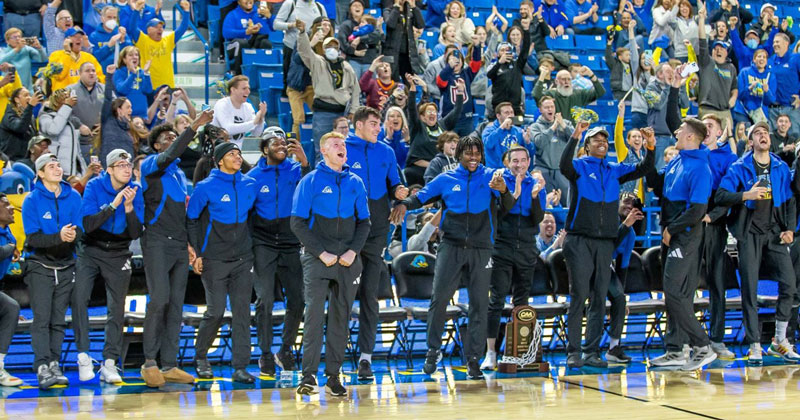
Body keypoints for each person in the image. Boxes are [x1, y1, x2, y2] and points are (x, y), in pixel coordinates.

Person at [394, 135, 516, 379]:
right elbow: (422, 196)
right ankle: (433, 351)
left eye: (477, 153)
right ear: (459, 154)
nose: (473, 158)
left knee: (479, 305)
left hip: (482, 249)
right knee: (439, 300)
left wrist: (503, 191)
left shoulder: (492, 177)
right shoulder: (446, 179)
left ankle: (473, 359)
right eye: (468, 153)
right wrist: (405, 204)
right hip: (450, 247)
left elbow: (509, 206)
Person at [559, 121, 655, 368]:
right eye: (596, 140)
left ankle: (592, 352)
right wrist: (575, 136)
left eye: (604, 140)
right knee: (579, 296)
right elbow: (563, 165)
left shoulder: (613, 169)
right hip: (579, 239)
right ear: (587, 146)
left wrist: (651, 148)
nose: (602, 143)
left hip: (604, 242)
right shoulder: (579, 166)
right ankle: (574, 352)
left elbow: (643, 168)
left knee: (600, 298)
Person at [291, 131, 371, 396]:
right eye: (336, 145)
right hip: (318, 259)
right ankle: (308, 375)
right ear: (324, 151)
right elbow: (297, 222)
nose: (342, 148)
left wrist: (353, 252)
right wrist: (319, 252)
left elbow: (365, 222)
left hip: (347, 260)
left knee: (341, 318)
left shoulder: (356, 182)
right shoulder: (310, 181)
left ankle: (334, 376)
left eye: (344, 145)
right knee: (314, 316)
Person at [713, 121, 800, 365]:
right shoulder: (739, 167)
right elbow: (721, 195)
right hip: (748, 234)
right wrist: (746, 195)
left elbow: (791, 201)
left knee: (790, 283)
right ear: (750, 142)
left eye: (765, 133)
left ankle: (779, 340)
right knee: (749, 290)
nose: (763, 136)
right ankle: (754, 344)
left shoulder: (781, 167)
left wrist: (790, 229)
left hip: (774, 233)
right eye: (757, 133)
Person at [139, 110, 214, 387]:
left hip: (178, 244)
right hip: (156, 241)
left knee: (175, 305)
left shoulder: (180, 175)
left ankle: (169, 363)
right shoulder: (150, 166)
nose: (172, 140)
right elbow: (171, 154)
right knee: (159, 299)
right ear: (157, 145)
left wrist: (190, 245)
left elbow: (183, 213)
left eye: (175, 136)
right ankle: (149, 362)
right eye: (167, 138)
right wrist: (193, 126)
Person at [645, 117, 718, 370]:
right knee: (674, 294)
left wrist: (672, 230)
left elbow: (697, 210)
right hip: (672, 233)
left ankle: (702, 345)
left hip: (685, 235)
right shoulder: (678, 159)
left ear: (691, 137)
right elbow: (655, 182)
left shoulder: (700, 168)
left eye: (681, 130)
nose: (676, 131)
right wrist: (651, 149)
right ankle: (675, 350)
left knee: (675, 292)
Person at [345, 107, 408, 380]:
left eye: (378, 124)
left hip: (377, 225)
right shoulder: (343, 147)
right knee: (342, 295)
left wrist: (401, 199)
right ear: (358, 125)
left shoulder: (386, 151)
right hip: (347, 227)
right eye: (372, 123)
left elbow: (395, 184)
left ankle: (365, 358)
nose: (377, 128)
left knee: (370, 295)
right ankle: (335, 355)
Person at [188, 142, 258, 384]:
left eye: (239, 153)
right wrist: (196, 253)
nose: (238, 157)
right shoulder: (205, 187)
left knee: (242, 313)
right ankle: (200, 358)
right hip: (214, 258)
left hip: (243, 258)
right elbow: (192, 220)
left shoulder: (250, 183)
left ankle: (240, 366)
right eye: (231, 154)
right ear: (220, 161)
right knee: (215, 311)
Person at [73, 149, 143, 383]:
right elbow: (88, 224)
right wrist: (113, 205)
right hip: (91, 248)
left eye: (129, 165)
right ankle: (83, 356)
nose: (126, 169)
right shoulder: (94, 186)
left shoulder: (136, 190)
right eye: (120, 165)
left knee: (117, 307)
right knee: (79, 299)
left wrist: (129, 208)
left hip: (118, 251)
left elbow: (135, 232)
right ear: (110, 169)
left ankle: (110, 362)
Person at [247, 127, 309, 375]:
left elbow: (312, 188)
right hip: (262, 241)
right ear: (264, 149)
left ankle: (284, 348)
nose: (281, 145)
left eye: (284, 142)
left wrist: (305, 162)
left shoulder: (297, 170)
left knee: (298, 299)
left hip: (291, 240)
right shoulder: (252, 176)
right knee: (264, 300)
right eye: (275, 142)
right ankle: (264, 353)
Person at [481, 146, 545, 370]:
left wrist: (535, 196)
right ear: (507, 162)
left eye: (523, 160)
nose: (519, 164)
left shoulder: (536, 183)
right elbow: (501, 213)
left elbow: (537, 218)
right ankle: (490, 353)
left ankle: (521, 352)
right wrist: (513, 192)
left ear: (529, 162)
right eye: (514, 161)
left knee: (522, 302)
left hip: (527, 247)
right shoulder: (499, 180)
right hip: (502, 245)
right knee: (496, 299)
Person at [22, 154, 83, 389]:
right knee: (42, 319)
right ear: (40, 173)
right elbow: (34, 237)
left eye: (58, 165)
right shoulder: (32, 200)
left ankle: (55, 362)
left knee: (58, 320)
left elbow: (80, 230)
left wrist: (72, 236)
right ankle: (42, 366)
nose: (57, 169)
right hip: (39, 264)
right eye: (51, 166)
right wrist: (59, 236)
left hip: (67, 265)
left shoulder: (73, 196)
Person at [698, 114, 739, 360]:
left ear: (720, 132)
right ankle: (686, 342)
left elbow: (728, 194)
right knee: (685, 284)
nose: (706, 129)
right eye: (703, 125)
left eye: (710, 126)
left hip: (714, 223)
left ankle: (717, 339)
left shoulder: (729, 158)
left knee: (716, 283)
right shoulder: (693, 152)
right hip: (692, 222)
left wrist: (712, 217)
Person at [296, 19, 360, 159]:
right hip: (323, 113)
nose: (332, 49)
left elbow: (355, 90)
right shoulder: (318, 62)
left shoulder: (347, 67)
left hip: (342, 112)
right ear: (324, 49)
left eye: (335, 46)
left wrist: (354, 110)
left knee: (343, 150)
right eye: (329, 46)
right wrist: (302, 33)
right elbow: (304, 51)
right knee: (322, 150)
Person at [604, 192, 644, 363]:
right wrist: (625, 225)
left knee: (619, 299)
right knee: (596, 301)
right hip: (590, 265)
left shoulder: (631, 234)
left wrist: (620, 294)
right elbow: (606, 249)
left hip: (606, 268)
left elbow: (623, 265)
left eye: (633, 205)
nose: (629, 207)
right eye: (626, 202)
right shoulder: (606, 220)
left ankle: (613, 348)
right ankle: (585, 352)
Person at [404, 75, 463, 185]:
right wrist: (412, 88)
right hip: (419, 170)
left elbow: (457, 111)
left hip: (441, 168)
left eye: (434, 111)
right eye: (429, 111)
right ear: (422, 117)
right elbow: (412, 109)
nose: (432, 113)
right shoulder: (417, 126)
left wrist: (460, 91)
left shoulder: (442, 124)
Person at [126, 0, 190, 88]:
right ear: (148, 29)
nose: (160, 29)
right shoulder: (142, 40)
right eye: (156, 27)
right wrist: (136, 10)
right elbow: (132, 27)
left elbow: (183, 28)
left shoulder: (168, 40)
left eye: (161, 27)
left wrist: (186, 11)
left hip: (167, 84)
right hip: (149, 86)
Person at [696, 3, 737, 131]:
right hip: (707, 110)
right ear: (712, 52)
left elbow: (734, 88)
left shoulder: (731, 68)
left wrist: (733, 98)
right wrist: (702, 20)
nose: (718, 51)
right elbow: (702, 40)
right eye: (715, 48)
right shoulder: (707, 62)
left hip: (725, 112)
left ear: (726, 52)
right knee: (707, 143)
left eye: (721, 49)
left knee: (728, 143)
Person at [273, 0, 327, 94]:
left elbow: (326, 25)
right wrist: (292, 25)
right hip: (291, 48)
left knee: (311, 83)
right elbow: (276, 24)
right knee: (290, 83)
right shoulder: (290, 4)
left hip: (312, 49)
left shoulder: (319, 7)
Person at [530, 96, 574, 205]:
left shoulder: (566, 124)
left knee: (567, 204)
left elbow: (576, 139)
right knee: (544, 204)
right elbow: (539, 142)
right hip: (543, 170)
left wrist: (563, 125)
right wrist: (554, 126)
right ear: (540, 110)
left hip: (562, 171)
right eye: (546, 107)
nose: (550, 109)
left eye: (552, 106)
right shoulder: (535, 127)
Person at [38, 87, 87, 177]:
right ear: (57, 101)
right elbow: (54, 130)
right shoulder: (45, 117)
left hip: (72, 173)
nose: (69, 100)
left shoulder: (69, 121)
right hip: (55, 171)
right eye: (65, 98)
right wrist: (67, 107)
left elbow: (77, 152)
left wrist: (84, 171)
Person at [0, 193, 22, 387]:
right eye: (5, 204)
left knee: (10, 308)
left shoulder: (9, 234)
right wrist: (10, 248)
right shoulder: (9, 241)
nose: (11, 208)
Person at [533, 67, 606, 124]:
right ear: (556, 81)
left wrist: (591, 75)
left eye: (569, 79)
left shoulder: (579, 94)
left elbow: (600, 92)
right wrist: (542, 75)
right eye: (563, 79)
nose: (566, 82)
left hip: (574, 135)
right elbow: (536, 95)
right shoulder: (550, 94)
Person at [211, 75, 266, 147]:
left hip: (235, 152)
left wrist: (261, 118)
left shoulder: (248, 107)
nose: (248, 91)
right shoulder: (222, 104)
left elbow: (256, 133)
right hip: (217, 151)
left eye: (248, 88)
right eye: (244, 88)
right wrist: (254, 122)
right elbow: (228, 129)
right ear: (233, 90)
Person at [486, 31, 531, 117]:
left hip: (515, 107)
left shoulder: (517, 64)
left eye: (508, 50)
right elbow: (489, 75)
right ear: (498, 53)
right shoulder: (494, 65)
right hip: (498, 107)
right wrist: (499, 63)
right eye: (502, 50)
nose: (505, 52)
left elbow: (525, 51)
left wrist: (526, 31)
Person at [223, 0, 273, 75]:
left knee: (266, 42)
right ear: (238, 2)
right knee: (241, 43)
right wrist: (246, 32)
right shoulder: (233, 15)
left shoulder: (259, 13)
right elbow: (226, 33)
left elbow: (269, 32)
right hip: (234, 45)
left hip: (253, 42)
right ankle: (237, 73)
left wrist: (268, 17)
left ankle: (263, 74)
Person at [48, 27, 106, 92]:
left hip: (85, 97)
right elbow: (59, 76)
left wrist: (95, 80)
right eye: (74, 36)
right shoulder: (55, 55)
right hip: (63, 97)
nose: (78, 39)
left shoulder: (89, 58)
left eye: (80, 37)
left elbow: (101, 78)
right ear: (66, 40)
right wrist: (67, 53)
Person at [100, 65, 135, 166]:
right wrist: (109, 76)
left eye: (131, 107)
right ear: (119, 110)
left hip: (126, 169)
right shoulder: (108, 120)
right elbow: (108, 98)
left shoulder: (129, 128)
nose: (131, 110)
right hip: (109, 169)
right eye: (128, 107)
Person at [69, 62, 104, 160]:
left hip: (101, 140)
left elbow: (114, 109)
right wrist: (79, 125)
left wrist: (104, 123)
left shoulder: (104, 89)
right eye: (87, 71)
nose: (91, 73)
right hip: (80, 142)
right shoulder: (70, 90)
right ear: (80, 73)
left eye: (93, 71)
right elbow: (64, 113)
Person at [767, 33, 800, 139]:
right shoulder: (770, 61)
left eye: (777, 42)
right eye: (773, 42)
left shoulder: (796, 59)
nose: (774, 44)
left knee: (795, 140)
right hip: (773, 110)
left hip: (791, 108)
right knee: (773, 142)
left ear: (786, 43)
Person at [382, 0, 426, 80]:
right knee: (393, 83)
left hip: (408, 55)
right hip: (393, 54)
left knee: (409, 83)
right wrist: (396, 7)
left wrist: (414, 8)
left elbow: (420, 25)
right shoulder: (388, 10)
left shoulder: (410, 11)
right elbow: (391, 24)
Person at [482, 102, 532, 169]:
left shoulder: (519, 131)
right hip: (495, 171)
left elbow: (530, 153)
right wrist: (501, 128)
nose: (510, 115)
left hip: (514, 171)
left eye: (512, 112)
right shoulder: (489, 130)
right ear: (498, 116)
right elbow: (488, 144)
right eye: (507, 113)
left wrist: (528, 142)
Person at [0, 86, 42, 160]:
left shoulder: (30, 117)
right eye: (25, 95)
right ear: (17, 100)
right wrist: (30, 106)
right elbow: (20, 128)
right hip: (11, 161)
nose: (29, 97)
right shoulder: (9, 115)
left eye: (29, 95)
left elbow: (34, 137)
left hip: (27, 160)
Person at [113, 46, 153, 119]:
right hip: (125, 115)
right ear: (124, 59)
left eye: (136, 55)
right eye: (131, 55)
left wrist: (146, 73)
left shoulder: (141, 72)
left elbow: (148, 90)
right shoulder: (118, 73)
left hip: (142, 115)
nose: (134, 57)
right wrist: (133, 74)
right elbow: (122, 90)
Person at [90, 6, 133, 70]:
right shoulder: (94, 36)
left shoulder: (121, 33)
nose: (112, 20)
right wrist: (108, 46)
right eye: (109, 17)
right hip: (103, 74)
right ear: (102, 18)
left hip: (120, 74)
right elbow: (94, 58)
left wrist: (123, 41)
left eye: (114, 17)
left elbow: (131, 53)